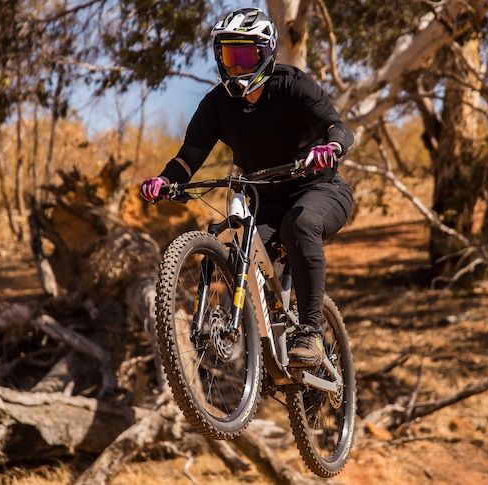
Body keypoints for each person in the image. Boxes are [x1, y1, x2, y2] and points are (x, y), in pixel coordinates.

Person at [140, 7, 354, 367]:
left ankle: (311, 333)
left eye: (245, 56)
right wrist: (164, 181)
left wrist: (329, 148)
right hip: (264, 203)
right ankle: (263, 337)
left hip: (320, 191)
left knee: (298, 225)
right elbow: (187, 159)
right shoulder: (217, 105)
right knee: (238, 246)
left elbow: (338, 128)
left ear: (267, 53)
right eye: (228, 56)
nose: (237, 67)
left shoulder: (292, 85)